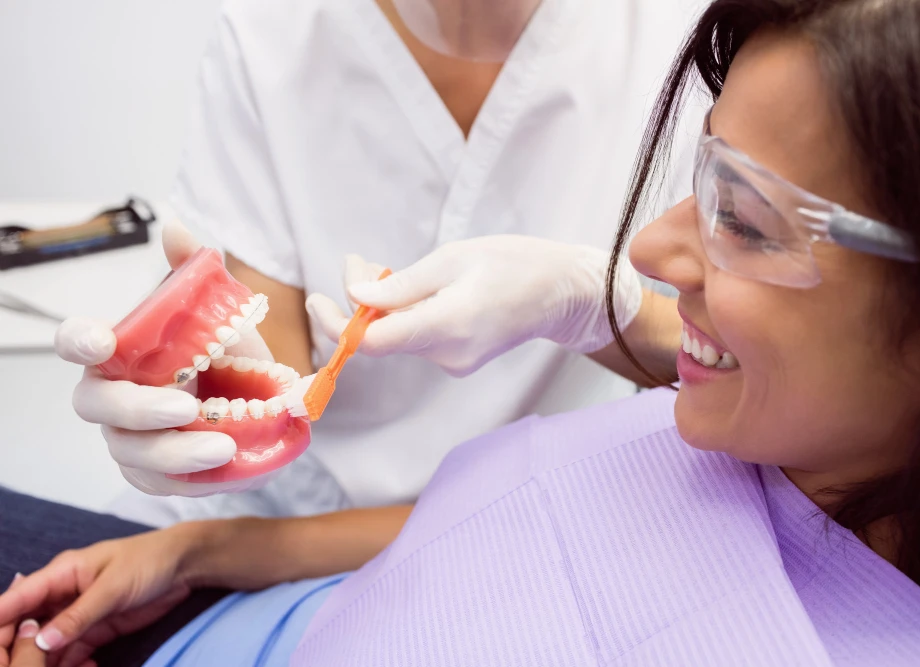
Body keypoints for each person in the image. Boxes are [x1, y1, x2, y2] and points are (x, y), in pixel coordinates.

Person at [2, 0, 920, 664]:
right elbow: (473, 517)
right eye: (697, 178)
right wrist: (209, 523)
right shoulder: (739, 437)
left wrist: (587, 298)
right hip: (260, 583)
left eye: (741, 213)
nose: (648, 247)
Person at [58, 0, 700, 527]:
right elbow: (276, 395)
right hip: (283, 519)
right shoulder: (272, 36)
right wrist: (190, 399)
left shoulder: (689, 39)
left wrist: (593, 307)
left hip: (545, 520)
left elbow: (759, 371)